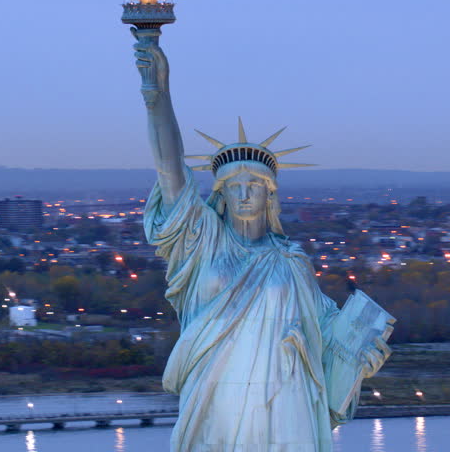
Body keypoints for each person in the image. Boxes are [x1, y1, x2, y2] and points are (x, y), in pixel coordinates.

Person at [133, 32, 392, 452]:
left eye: (255, 184)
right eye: (234, 186)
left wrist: (362, 356)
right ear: (219, 194)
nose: (244, 193)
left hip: (284, 400)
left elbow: (327, 333)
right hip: (215, 396)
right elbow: (170, 171)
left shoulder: (291, 263)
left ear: (271, 194)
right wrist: (156, 94)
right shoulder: (203, 243)